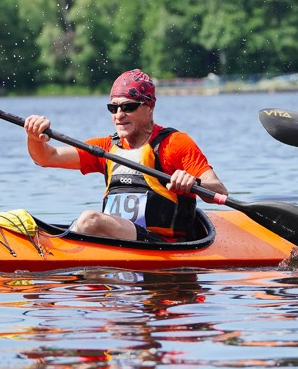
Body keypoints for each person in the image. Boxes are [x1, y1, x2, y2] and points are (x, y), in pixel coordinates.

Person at [23, 69, 228, 243]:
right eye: (113, 108)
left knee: (90, 220)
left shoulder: (174, 144)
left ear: (149, 108)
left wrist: (195, 182)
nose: (119, 115)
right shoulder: (105, 147)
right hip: (119, 242)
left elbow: (219, 190)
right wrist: (34, 137)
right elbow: (47, 157)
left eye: (128, 107)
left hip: (162, 245)